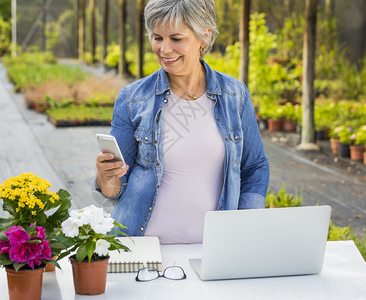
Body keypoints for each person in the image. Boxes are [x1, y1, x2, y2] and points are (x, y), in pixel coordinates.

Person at [95, 0, 269, 244]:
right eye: (157, 37)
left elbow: (254, 167)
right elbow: (115, 188)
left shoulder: (234, 95)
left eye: (176, 39)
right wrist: (106, 177)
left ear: (204, 38)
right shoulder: (133, 98)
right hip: (142, 246)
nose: (165, 49)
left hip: (214, 249)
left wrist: (245, 227)